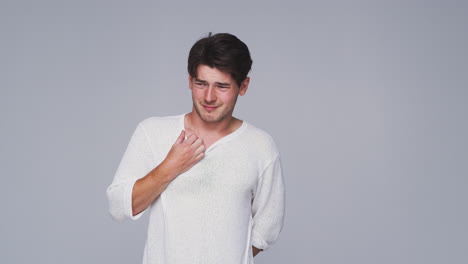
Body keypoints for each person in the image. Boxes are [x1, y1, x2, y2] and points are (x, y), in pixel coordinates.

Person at [106, 32, 285, 264]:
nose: (209, 97)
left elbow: (266, 229)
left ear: (243, 86)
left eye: (222, 86)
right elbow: (118, 206)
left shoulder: (260, 146)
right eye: (201, 83)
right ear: (190, 81)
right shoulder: (152, 132)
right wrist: (170, 167)